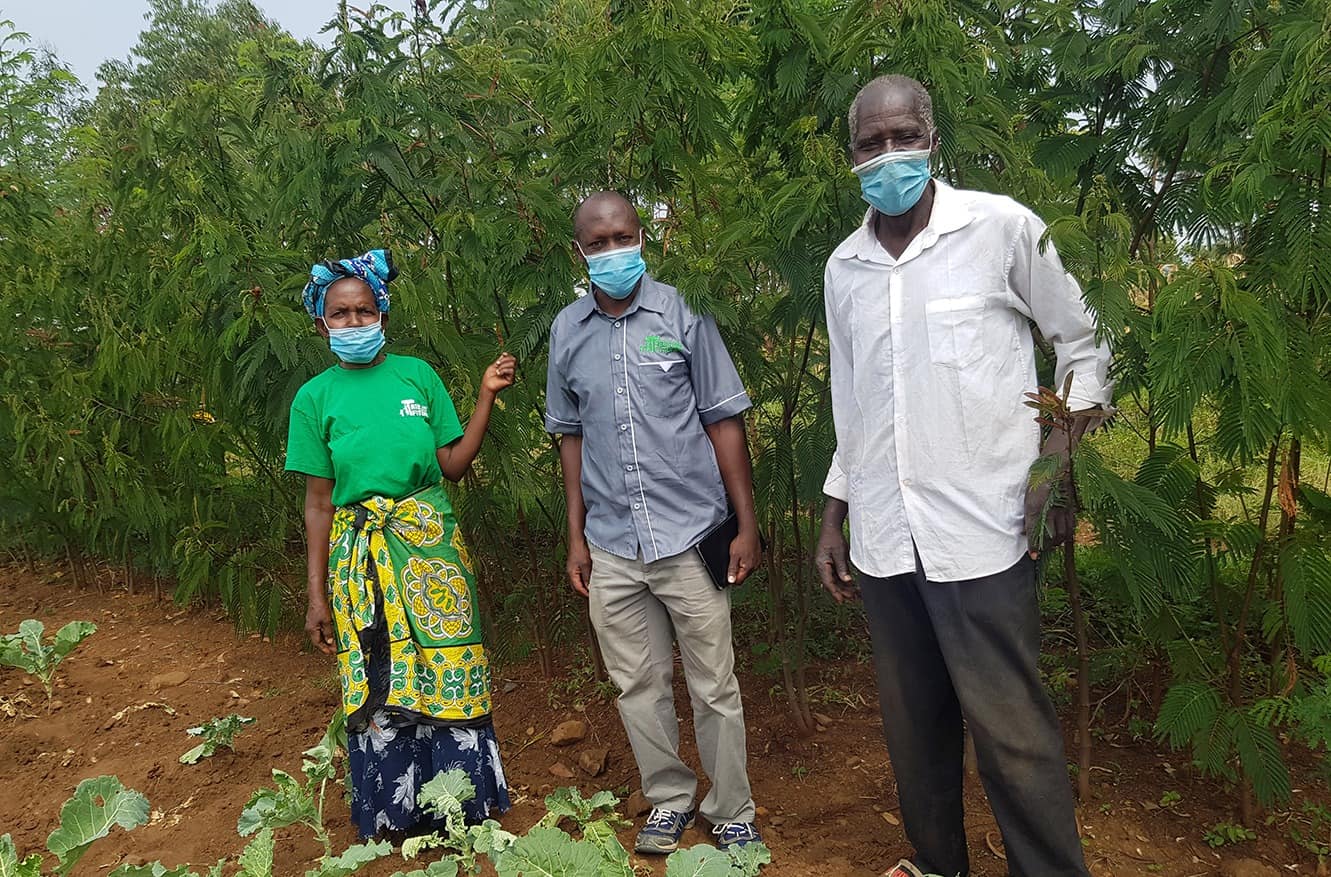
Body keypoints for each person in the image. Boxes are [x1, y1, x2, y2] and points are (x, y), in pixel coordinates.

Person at [813, 76, 1113, 877]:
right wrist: (833, 516)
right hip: (884, 537)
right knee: (914, 730)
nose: (887, 156)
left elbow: (1082, 347)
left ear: (932, 138)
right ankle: (936, 862)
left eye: (901, 136)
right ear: (852, 156)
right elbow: (853, 400)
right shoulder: (844, 268)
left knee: (1011, 733)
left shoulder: (1000, 229)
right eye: (870, 144)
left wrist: (1052, 466)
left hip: (984, 530)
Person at [544, 192, 762, 854]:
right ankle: (668, 796)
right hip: (611, 544)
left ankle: (730, 809)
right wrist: (575, 536)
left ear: (644, 237)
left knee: (712, 683)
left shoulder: (681, 312)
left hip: (690, 535)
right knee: (637, 683)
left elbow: (723, 419)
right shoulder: (567, 330)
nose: (613, 251)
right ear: (578, 252)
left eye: (623, 236)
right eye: (598, 242)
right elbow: (569, 437)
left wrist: (744, 521)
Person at [285, 249, 517, 841]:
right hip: (358, 557)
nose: (354, 323)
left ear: (383, 315)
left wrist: (486, 396)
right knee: (377, 673)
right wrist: (316, 595)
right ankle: (393, 817)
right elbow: (318, 502)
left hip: (430, 546)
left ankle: (460, 810)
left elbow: (453, 463)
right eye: (341, 314)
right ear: (321, 324)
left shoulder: (418, 376)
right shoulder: (314, 399)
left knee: (449, 663)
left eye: (365, 311)